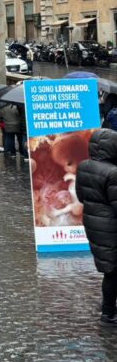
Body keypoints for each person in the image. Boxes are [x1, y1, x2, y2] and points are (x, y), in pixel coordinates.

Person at [74, 128, 117, 326]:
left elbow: (82, 196)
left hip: (94, 224)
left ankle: (107, 309)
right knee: (113, 271)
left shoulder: (83, 166)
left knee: (110, 269)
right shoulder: (113, 173)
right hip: (110, 227)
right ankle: (108, 314)